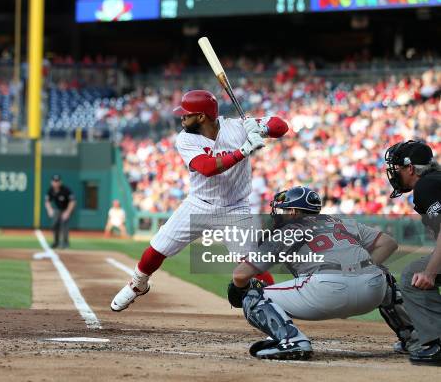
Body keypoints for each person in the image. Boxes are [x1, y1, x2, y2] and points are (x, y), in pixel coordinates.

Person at [111, 89, 289, 311]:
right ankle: (138, 284)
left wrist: (261, 128)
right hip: (198, 204)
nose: (182, 117)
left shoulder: (237, 127)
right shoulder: (185, 139)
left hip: (235, 208)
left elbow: (282, 125)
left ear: (202, 116)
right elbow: (206, 168)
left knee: (252, 264)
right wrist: (243, 150)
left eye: (187, 114)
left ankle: (276, 309)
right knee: (157, 248)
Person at [229, 186, 412, 360]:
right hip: (372, 291)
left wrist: (242, 290)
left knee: (253, 296)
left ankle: (291, 340)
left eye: (283, 209)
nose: (279, 214)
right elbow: (389, 243)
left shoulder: (286, 231)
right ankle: (413, 338)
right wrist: (365, 267)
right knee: (384, 276)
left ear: (293, 212)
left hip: (325, 291)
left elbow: (240, 275)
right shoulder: (343, 222)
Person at [385, 140, 441, 366]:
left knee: (413, 275)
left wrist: (430, 272)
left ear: (410, 169)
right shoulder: (435, 181)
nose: (394, 173)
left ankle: (438, 342)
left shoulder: (426, 186)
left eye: (397, 168)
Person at [45, 175, 76, 249]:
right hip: (58, 209)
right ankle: (56, 242)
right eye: (54, 181)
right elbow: (47, 201)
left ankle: (65, 244)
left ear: (60, 182)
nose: (56, 183)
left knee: (64, 225)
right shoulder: (51, 190)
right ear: (51, 182)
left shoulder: (66, 190)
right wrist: (50, 210)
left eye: (57, 181)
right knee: (54, 225)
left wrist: (67, 212)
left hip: (67, 208)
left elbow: (73, 202)